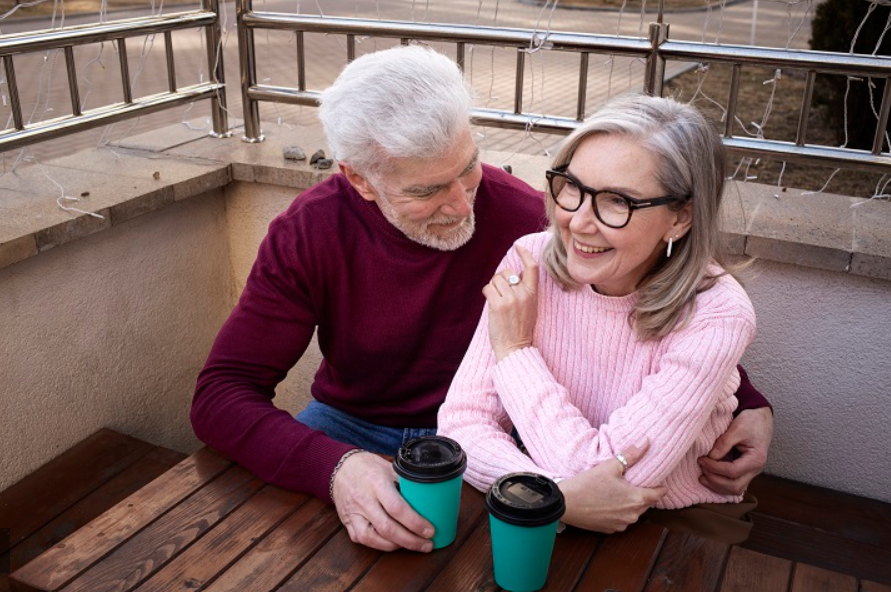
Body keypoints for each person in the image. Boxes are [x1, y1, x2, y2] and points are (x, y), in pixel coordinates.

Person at [191, 46, 773, 553]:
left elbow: (653, 311)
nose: (462, 203)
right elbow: (221, 394)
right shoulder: (311, 231)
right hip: (357, 428)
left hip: (507, 440)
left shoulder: (533, 223)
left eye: (468, 168)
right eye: (426, 189)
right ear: (360, 179)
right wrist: (333, 467)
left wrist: (744, 397)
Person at [438, 94, 763, 543]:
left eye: (616, 202)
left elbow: (620, 481)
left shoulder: (716, 312)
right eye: (572, 187)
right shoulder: (528, 261)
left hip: (675, 518)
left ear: (680, 218)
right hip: (540, 494)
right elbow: (461, 425)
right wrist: (552, 496)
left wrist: (515, 353)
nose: (577, 221)